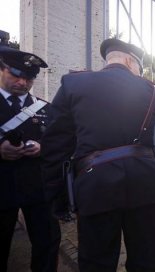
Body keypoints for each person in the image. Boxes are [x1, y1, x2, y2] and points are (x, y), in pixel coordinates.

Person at [40, 38, 155, 272]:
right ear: (129, 60)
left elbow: (54, 145)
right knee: (145, 258)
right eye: (139, 68)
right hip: (144, 184)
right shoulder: (149, 90)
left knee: (96, 261)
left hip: (95, 187)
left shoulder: (73, 83)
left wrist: (58, 197)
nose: (139, 73)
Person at [0, 45, 60, 271]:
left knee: (47, 243)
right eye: (16, 75)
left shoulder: (44, 108)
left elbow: (60, 142)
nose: (23, 83)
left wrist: (42, 147)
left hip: (38, 189)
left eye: (29, 78)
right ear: (2, 69)